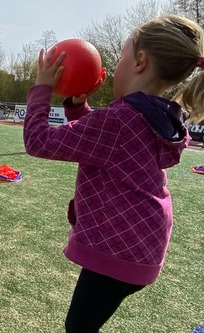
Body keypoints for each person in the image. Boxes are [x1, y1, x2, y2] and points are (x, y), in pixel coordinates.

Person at [23, 15, 204, 332]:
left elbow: (38, 142)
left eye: (121, 56)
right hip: (144, 246)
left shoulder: (121, 119)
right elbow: (111, 147)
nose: (115, 65)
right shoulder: (156, 116)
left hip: (119, 248)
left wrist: (42, 89)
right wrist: (78, 107)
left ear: (140, 61)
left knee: (78, 328)